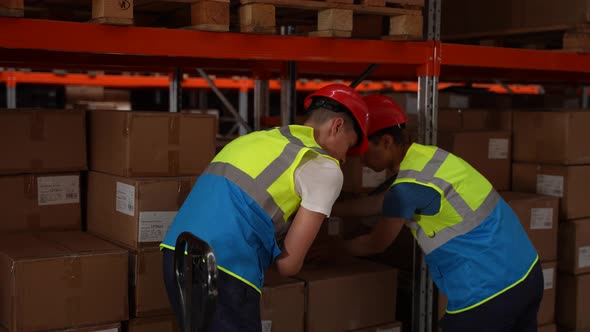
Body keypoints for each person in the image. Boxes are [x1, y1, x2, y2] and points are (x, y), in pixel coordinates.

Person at [160, 84, 369, 332]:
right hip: (225, 270)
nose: (345, 158)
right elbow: (288, 266)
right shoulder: (324, 167)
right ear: (336, 126)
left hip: (175, 254)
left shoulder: (255, 139)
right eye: (349, 145)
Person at [342, 94, 543, 332]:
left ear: (386, 141)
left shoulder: (406, 188)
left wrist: (335, 250)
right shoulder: (429, 158)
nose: (361, 161)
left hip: (486, 291)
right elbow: (381, 203)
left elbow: (376, 243)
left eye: (365, 150)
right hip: (527, 273)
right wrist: (327, 209)